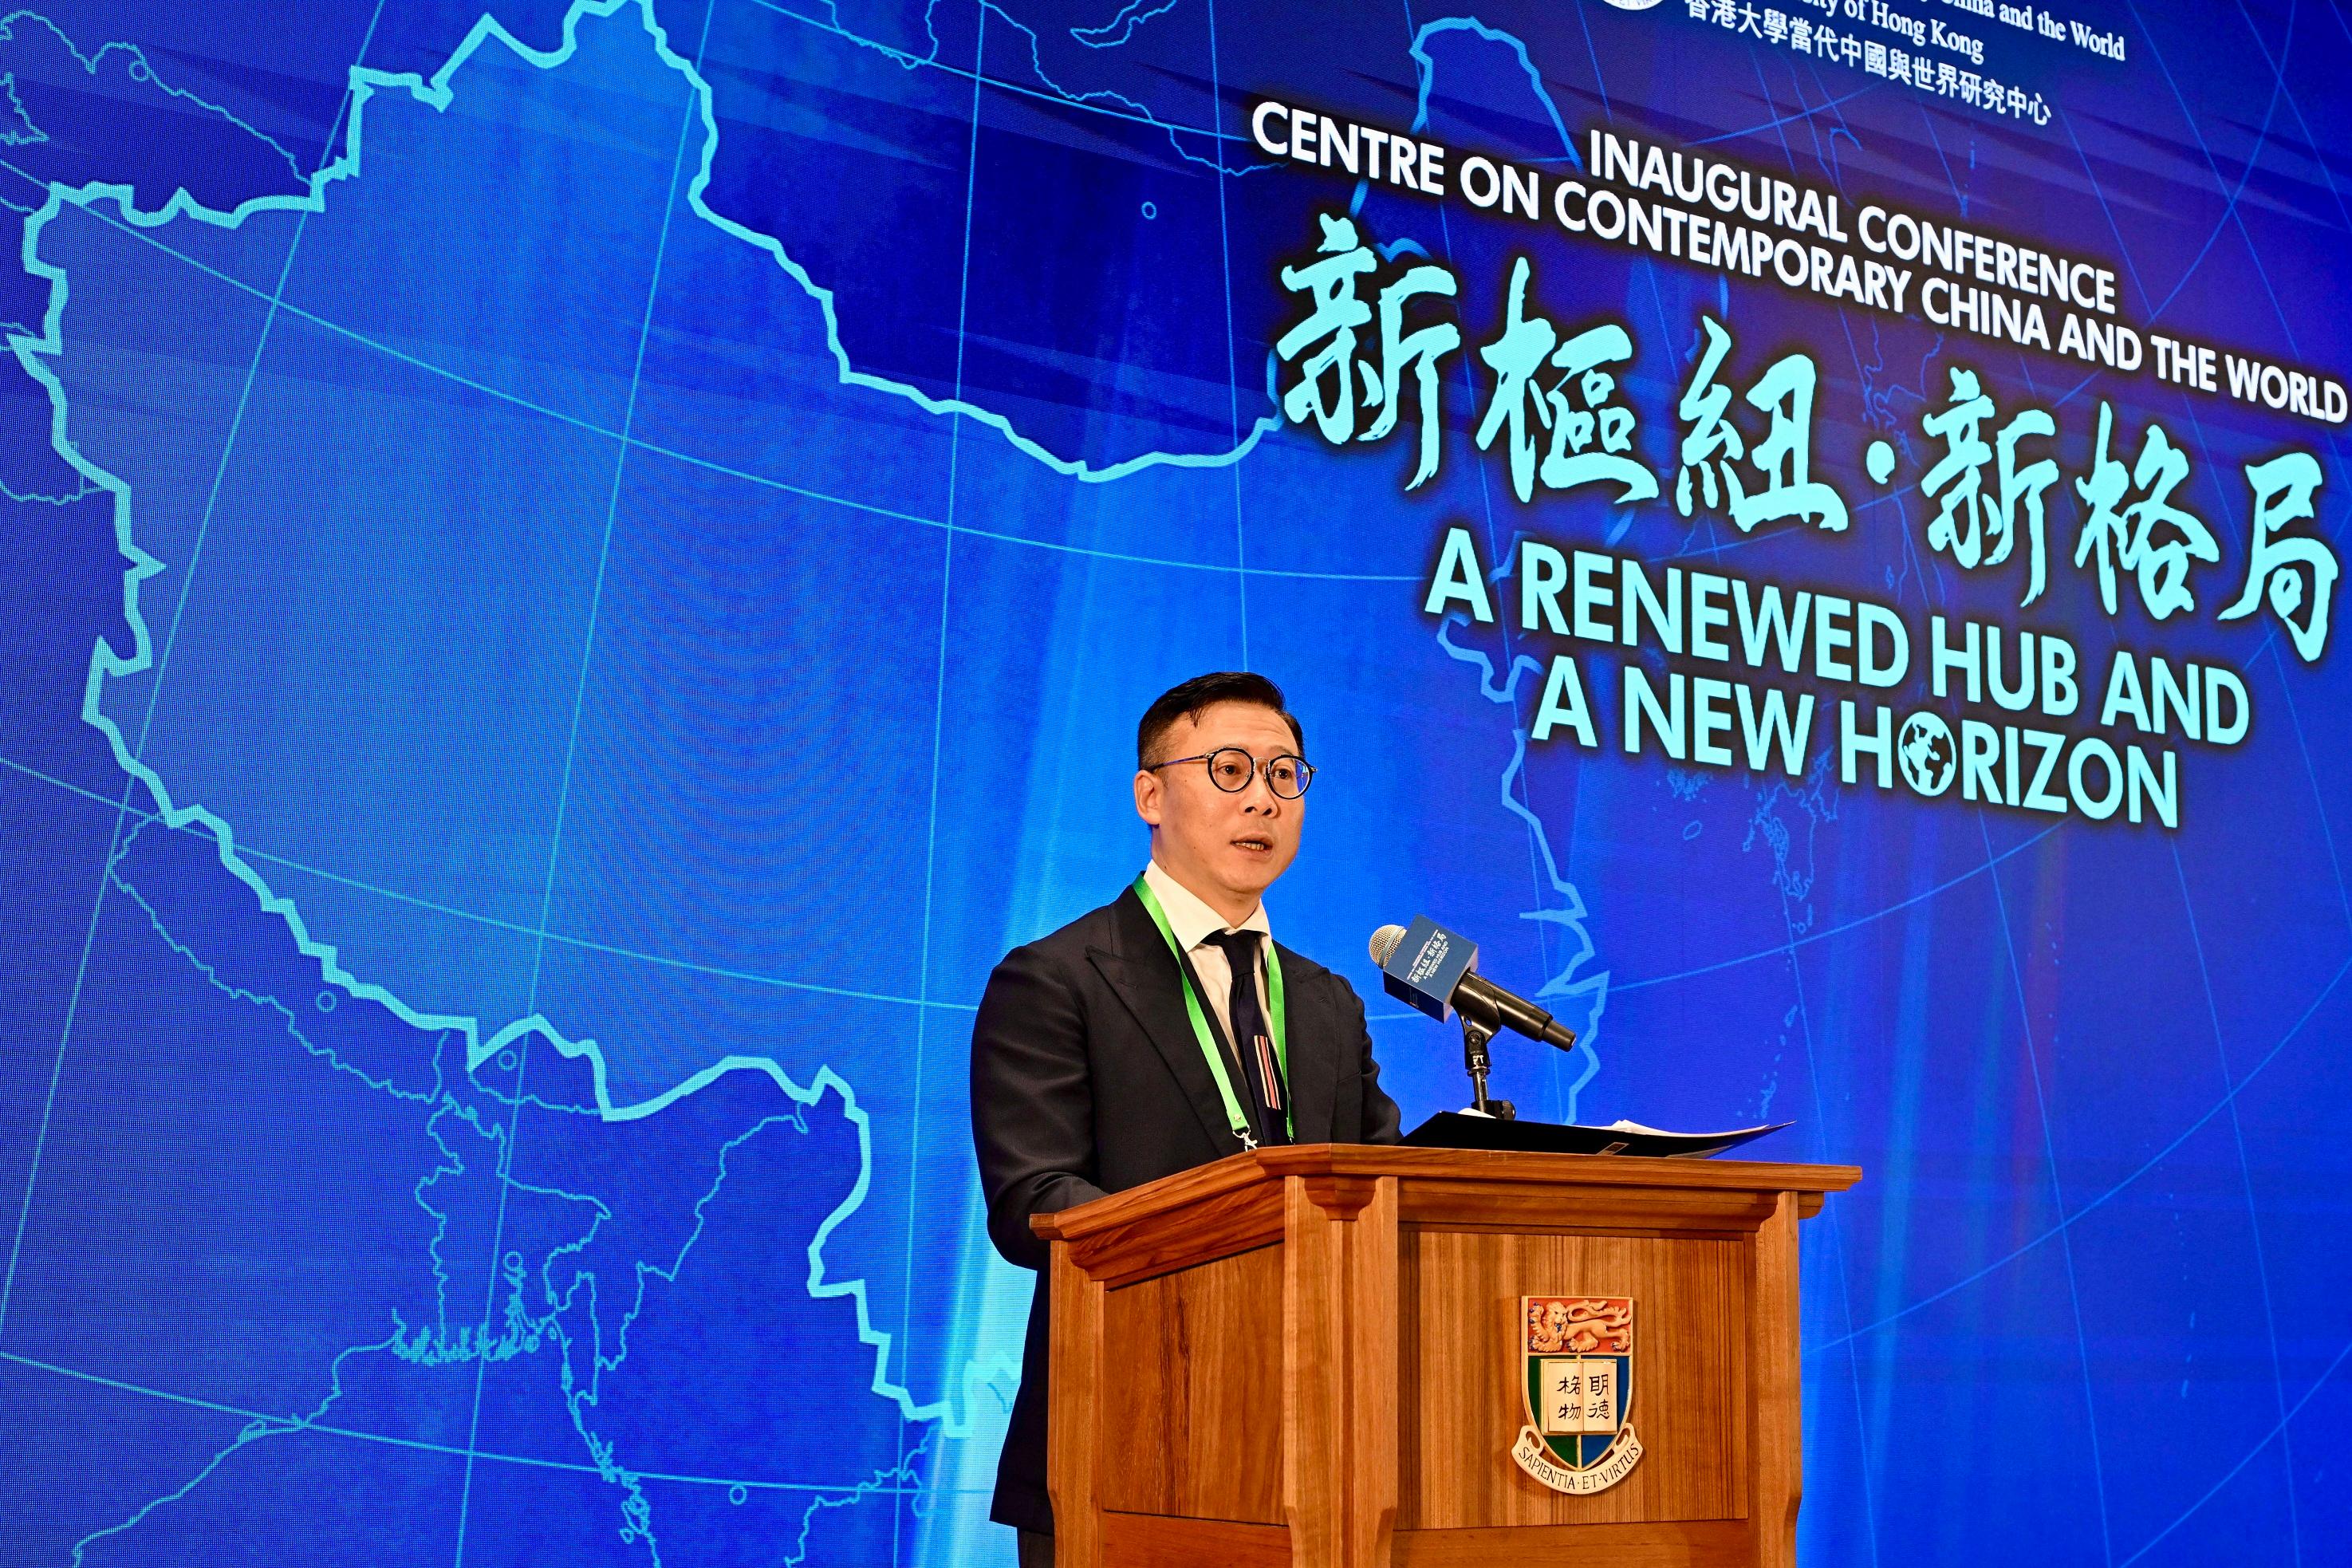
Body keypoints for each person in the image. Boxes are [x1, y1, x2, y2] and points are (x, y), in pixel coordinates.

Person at [968, 671, 1404, 1567]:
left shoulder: (1328, 1003)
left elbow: (1377, 1188)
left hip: (1326, 1457)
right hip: (1126, 1443)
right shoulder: (1058, 979)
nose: (1264, 801)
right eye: (1231, 769)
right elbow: (1033, 1201)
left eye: (1286, 776)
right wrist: (1230, 1246)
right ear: (1151, 795)